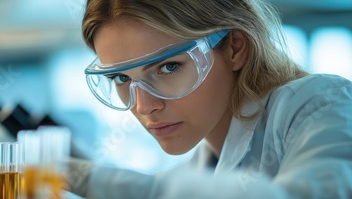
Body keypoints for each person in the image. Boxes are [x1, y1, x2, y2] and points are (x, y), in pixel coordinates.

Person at [66, 0, 352, 198]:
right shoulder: (202, 167)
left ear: (235, 49)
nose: (143, 106)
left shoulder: (319, 103)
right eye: (121, 79)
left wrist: (85, 178)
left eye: (168, 67)